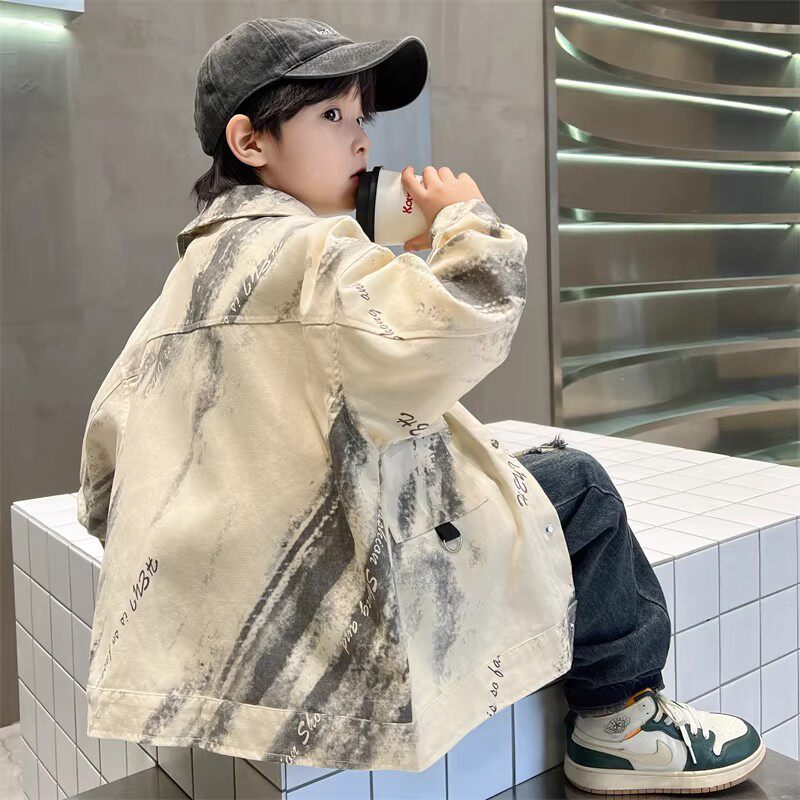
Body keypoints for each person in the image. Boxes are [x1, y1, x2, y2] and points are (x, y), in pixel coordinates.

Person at [77, 17, 763, 792]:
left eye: (361, 115)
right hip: (354, 579)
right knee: (580, 487)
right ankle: (622, 724)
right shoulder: (311, 253)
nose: (360, 138)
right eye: (331, 114)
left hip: (237, 615)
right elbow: (464, 321)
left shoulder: (194, 274)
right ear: (250, 141)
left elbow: (105, 471)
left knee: (516, 471)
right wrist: (465, 223)